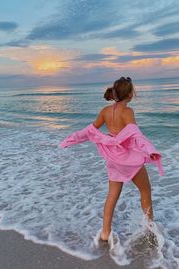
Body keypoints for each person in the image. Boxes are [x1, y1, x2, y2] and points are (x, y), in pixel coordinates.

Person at [60, 76, 164, 243]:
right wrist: (150, 150)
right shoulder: (128, 112)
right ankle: (149, 230)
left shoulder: (105, 111)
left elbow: (89, 131)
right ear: (130, 94)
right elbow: (135, 135)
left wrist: (71, 139)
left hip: (113, 159)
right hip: (128, 160)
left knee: (112, 195)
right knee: (145, 191)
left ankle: (105, 232)